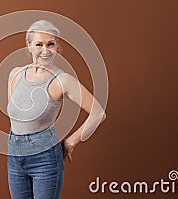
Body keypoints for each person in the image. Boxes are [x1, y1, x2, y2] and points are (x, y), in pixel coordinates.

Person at [6, 20, 107, 199]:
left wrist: (71, 142)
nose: (45, 50)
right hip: (14, 155)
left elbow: (98, 113)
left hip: (44, 159)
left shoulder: (62, 80)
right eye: (39, 44)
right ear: (28, 45)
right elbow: (17, 116)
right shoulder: (15, 74)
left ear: (57, 47)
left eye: (50, 44)